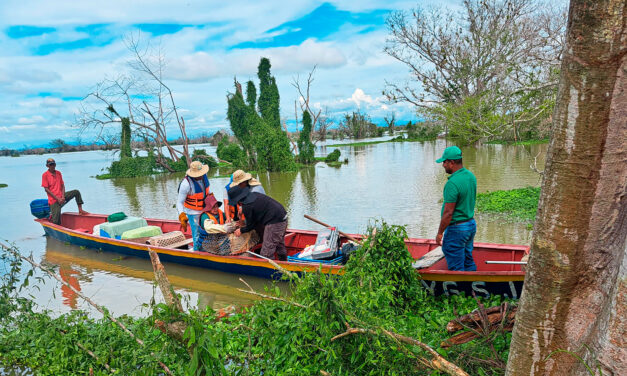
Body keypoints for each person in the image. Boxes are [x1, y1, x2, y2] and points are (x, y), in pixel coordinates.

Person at [435, 146, 477, 271]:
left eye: (444, 162)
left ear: (452, 162)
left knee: (456, 267)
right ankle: (472, 288)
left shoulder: (452, 184)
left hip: (457, 229)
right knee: (468, 260)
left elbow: (448, 213)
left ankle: (460, 290)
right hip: (470, 225)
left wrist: (440, 233)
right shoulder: (470, 176)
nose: (443, 165)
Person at [230, 185, 288, 261]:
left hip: (275, 222)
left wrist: (240, 230)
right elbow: (256, 217)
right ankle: (284, 262)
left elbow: (251, 225)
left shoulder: (247, 206)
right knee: (279, 245)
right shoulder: (253, 194)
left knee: (265, 254)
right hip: (283, 216)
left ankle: (272, 271)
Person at [41, 158, 88, 225]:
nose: (52, 166)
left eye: (53, 164)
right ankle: (53, 219)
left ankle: (80, 210)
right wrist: (58, 199)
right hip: (53, 200)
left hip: (61, 196)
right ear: (47, 166)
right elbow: (46, 189)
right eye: (50, 165)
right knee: (56, 222)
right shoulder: (45, 175)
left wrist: (62, 197)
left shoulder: (58, 173)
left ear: (55, 164)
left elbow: (62, 186)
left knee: (76, 192)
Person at [177, 161, 211, 251]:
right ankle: (197, 251)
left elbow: (208, 192)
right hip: (193, 212)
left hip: (205, 209)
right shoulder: (186, 184)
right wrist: (182, 215)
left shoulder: (204, 177)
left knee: (208, 230)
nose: (200, 175)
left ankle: (208, 249)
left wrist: (213, 204)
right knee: (196, 234)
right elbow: (179, 202)